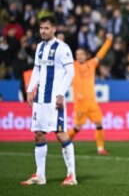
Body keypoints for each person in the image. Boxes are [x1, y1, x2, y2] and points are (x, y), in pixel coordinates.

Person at [21, 15, 77, 185]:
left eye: (46, 28)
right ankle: (40, 176)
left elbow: (70, 72)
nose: (43, 31)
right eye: (41, 28)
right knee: (38, 134)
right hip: (40, 99)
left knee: (60, 134)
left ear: (54, 29)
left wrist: (61, 93)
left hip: (54, 99)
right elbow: (37, 70)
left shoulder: (62, 48)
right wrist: (30, 90)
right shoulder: (39, 47)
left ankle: (71, 175)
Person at [67, 33, 113, 155]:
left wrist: (108, 41)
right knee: (77, 127)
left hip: (92, 102)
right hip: (80, 103)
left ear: (86, 56)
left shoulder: (91, 64)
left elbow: (100, 54)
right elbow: (61, 57)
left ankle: (100, 148)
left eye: (81, 54)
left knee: (99, 123)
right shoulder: (72, 66)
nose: (79, 56)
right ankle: (65, 143)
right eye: (77, 55)